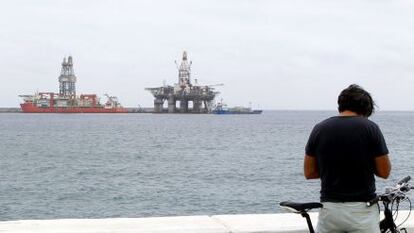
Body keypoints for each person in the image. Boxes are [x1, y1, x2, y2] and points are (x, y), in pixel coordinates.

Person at [304, 84, 391, 233]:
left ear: (341, 105)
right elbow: (384, 172)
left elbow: (309, 172)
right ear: (366, 108)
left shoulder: (319, 128)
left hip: (330, 209)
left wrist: (333, 170)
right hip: (362, 210)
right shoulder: (370, 128)